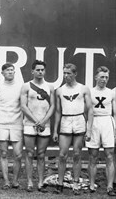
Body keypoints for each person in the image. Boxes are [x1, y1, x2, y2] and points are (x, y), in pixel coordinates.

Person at [52, 63, 93, 195]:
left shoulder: (84, 89)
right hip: (65, 121)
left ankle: (76, 183)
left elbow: (90, 109)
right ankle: (60, 183)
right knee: (62, 154)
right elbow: (58, 111)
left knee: (77, 154)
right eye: (64, 73)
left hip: (79, 120)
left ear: (75, 74)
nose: (66, 76)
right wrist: (55, 131)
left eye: (69, 73)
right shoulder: (59, 90)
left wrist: (89, 129)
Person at [20, 60, 55, 193]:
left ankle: (40, 182)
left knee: (41, 154)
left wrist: (44, 121)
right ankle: (29, 182)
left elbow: (52, 106)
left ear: (44, 71)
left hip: (45, 124)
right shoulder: (26, 86)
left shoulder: (50, 87)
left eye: (42, 70)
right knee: (29, 154)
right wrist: (35, 121)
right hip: (30, 124)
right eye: (38, 70)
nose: (40, 72)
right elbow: (23, 106)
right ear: (32, 71)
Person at [0, 62, 23, 190]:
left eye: (12, 70)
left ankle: (15, 181)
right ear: (2, 73)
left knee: (18, 154)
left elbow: (23, 105)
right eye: (8, 70)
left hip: (17, 124)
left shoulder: (21, 87)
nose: (10, 72)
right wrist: (1, 119)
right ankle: (6, 181)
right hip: (2, 124)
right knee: (4, 153)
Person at [86, 66, 116, 196]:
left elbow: (115, 112)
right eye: (102, 77)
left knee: (109, 155)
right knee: (93, 156)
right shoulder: (90, 92)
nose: (104, 80)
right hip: (94, 122)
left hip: (107, 122)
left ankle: (110, 186)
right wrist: (88, 127)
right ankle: (91, 184)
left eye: (106, 77)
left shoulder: (111, 92)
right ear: (96, 77)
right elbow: (85, 111)